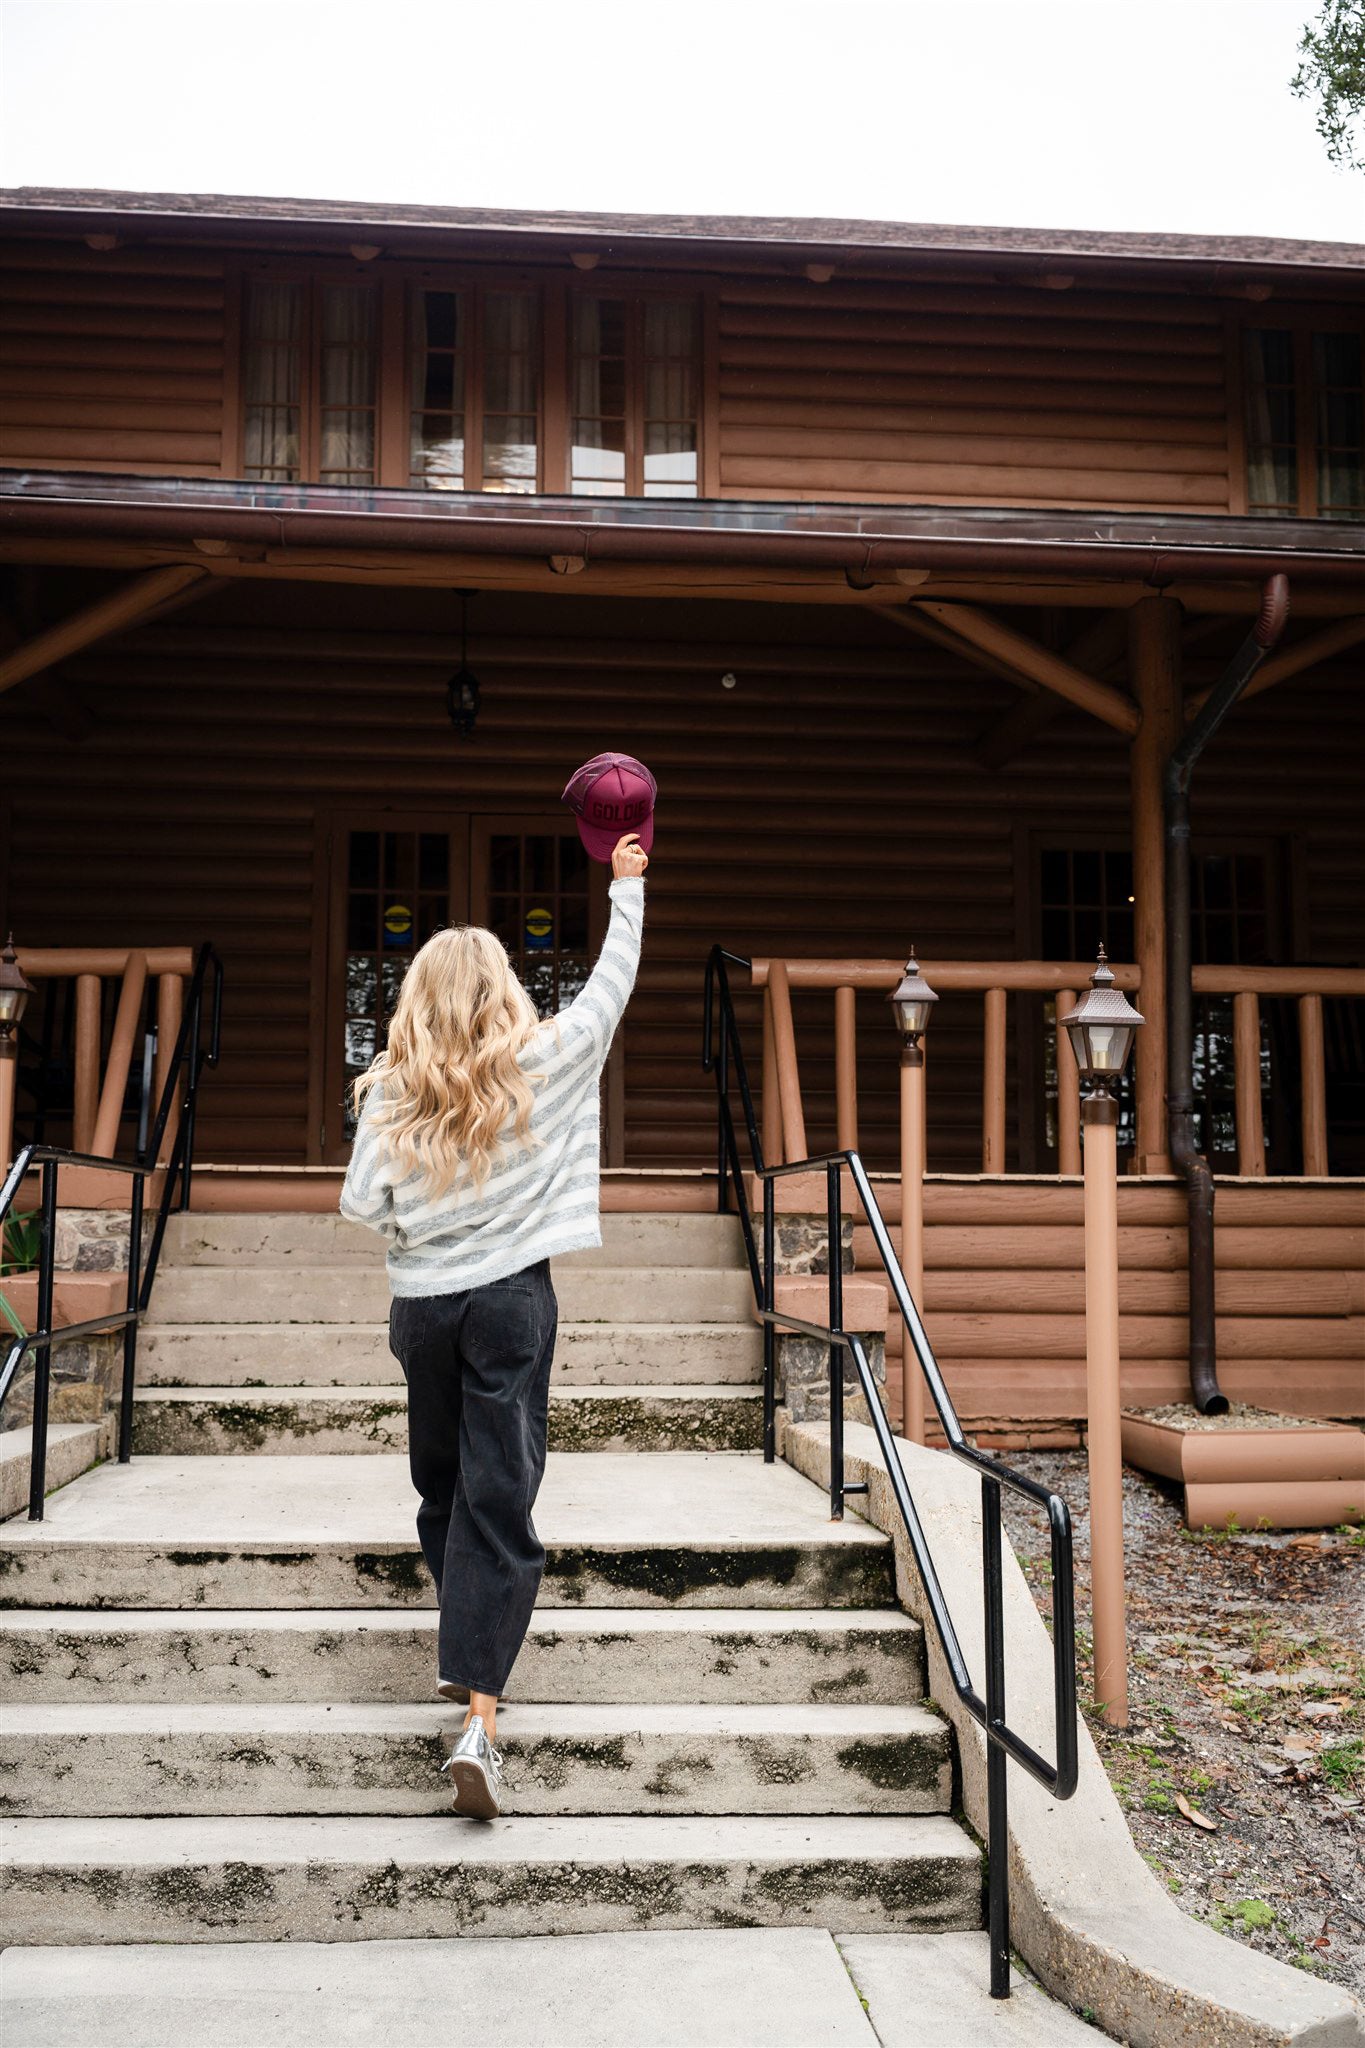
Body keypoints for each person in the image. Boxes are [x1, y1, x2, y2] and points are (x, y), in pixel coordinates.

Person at [339, 831, 648, 1818]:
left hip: (424, 1304)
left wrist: (420, 1220)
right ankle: (479, 1710)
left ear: (418, 1001)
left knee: (444, 1481)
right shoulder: (546, 1063)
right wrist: (626, 885)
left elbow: (360, 1203)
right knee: (497, 1494)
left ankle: (473, 1679)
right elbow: (610, 986)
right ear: (504, 992)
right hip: (512, 1297)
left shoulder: (395, 1089)